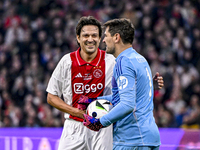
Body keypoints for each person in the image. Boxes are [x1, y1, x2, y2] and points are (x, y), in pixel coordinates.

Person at [46, 16, 163, 150]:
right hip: (74, 128)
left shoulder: (114, 61)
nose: (90, 39)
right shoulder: (67, 61)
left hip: (107, 131)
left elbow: (126, 101)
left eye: (95, 35)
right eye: (86, 35)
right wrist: (80, 111)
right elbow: (51, 97)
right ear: (78, 38)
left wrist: (100, 122)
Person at [83, 18, 161, 150]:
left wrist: (100, 122)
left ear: (116, 37)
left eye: (106, 36)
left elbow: (127, 104)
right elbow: (124, 97)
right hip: (149, 138)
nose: (103, 40)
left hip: (131, 139)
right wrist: (95, 99)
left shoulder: (123, 62)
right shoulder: (140, 59)